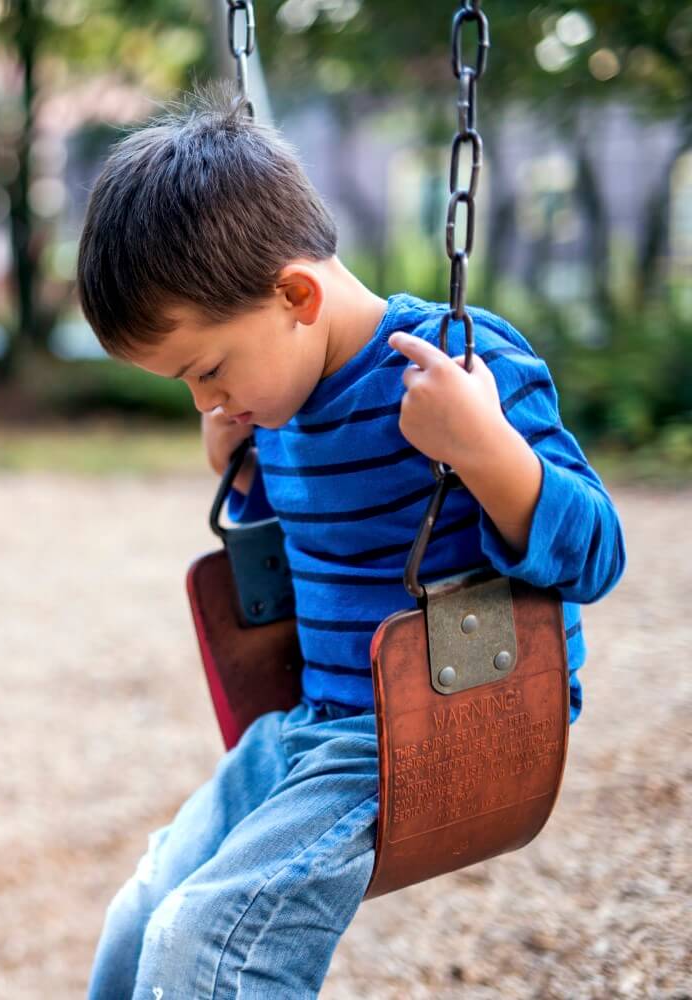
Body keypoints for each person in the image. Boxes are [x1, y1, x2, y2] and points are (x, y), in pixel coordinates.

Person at [74, 86, 627, 1000]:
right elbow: (321, 549)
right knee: (144, 912)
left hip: (439, 724)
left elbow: (598, 553)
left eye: (207, 371)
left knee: (209, 941)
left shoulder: (460, 366)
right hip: (314, 727)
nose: (206, 401)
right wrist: (243, 470)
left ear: (295, 293)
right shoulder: (276, 403)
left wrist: (487, 451)